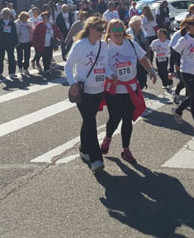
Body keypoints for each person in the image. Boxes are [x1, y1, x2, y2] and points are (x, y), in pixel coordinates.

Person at [101, 19, 157, 163]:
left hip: (130, 89)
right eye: (114, 30)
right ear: (109, 32)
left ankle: (126, 150)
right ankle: (107, 138)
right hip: (113, 89)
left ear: (124, 30)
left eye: (120, 29)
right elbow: (100, 65)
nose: (118, 32)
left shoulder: (131, 44)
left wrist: (150, 70)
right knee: (115, 117)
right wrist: (109, 74)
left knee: (127, 119)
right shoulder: (105, 47)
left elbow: (143, 59)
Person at [66, 16, 112, 173]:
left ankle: (84, 149)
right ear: (91, 29)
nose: (101, 33)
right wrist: (72, 83)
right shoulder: (80, 45)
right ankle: (96, 159)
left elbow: (106, 66)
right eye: (99, 29)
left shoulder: (103, 45)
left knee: (88, 122)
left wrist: (112, 74)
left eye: (103, 30)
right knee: (91, 123)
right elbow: (68, 66)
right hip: (83, 91)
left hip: (98, 90)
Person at [0, 8, 18, 78]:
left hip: (10, 43)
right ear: (1, 14)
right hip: (0, 42)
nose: (6, 15)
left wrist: (16, 42)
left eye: (7, 13)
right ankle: (0, 71)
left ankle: (12, 72)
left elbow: (14, 33)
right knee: (0, 57)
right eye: (4, 13)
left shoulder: (12, 23)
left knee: (11, 57)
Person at [127, 16, 149, 89]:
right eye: (135, 24)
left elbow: (146, 45)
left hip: (142, 55)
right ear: (131, 25)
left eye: (139, 24)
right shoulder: (128, 33)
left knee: (143, 76)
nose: (137, 26)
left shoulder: (142, 33)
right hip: (133, 57)